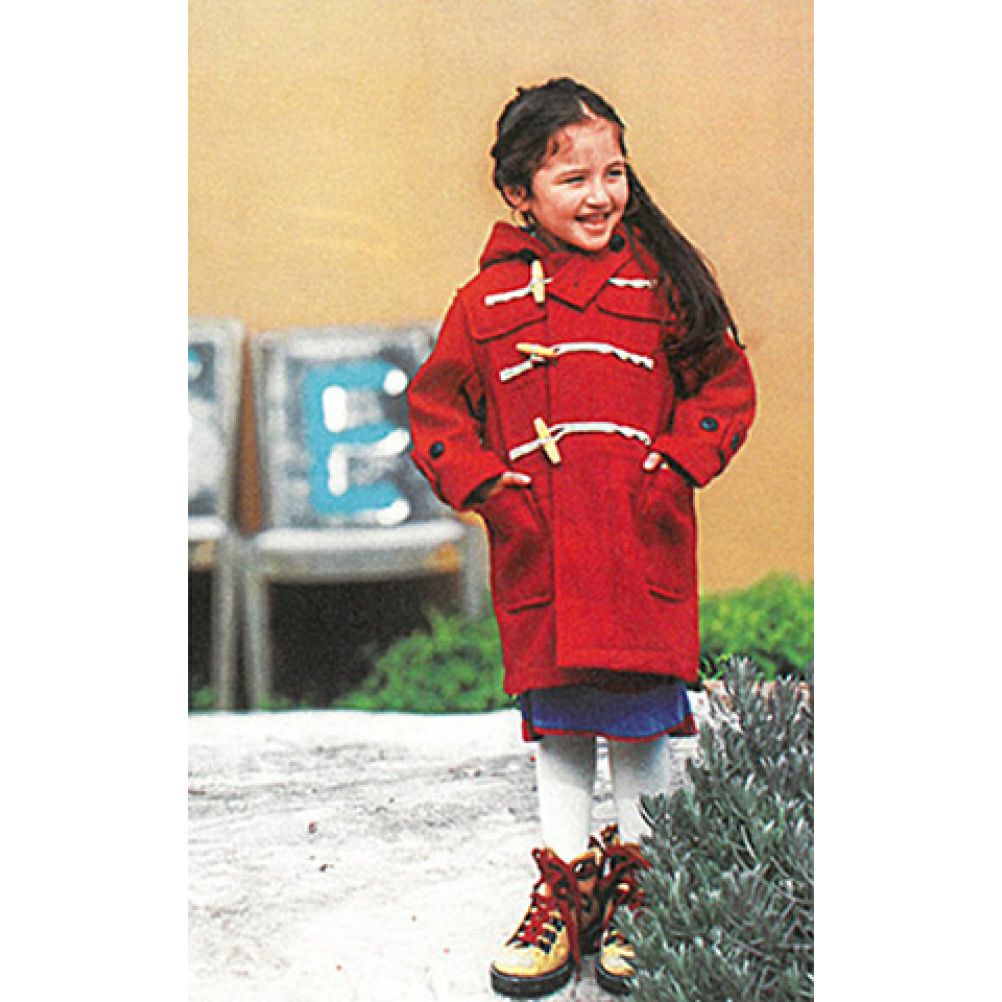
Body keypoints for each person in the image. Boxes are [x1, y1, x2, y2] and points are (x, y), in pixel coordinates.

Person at [407, 77, 756, 998]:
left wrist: (676, 466)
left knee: (640, 719)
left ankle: (642, 885)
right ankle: (565, 888)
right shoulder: (486, 303)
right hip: (544, 553)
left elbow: (725, 387)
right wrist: (491, 489)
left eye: (615, 173)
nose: (601, 196)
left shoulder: (664, 287)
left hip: (641, 545)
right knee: (560, 722)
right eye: (573, 179)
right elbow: (437, 414)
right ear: (518, 193)